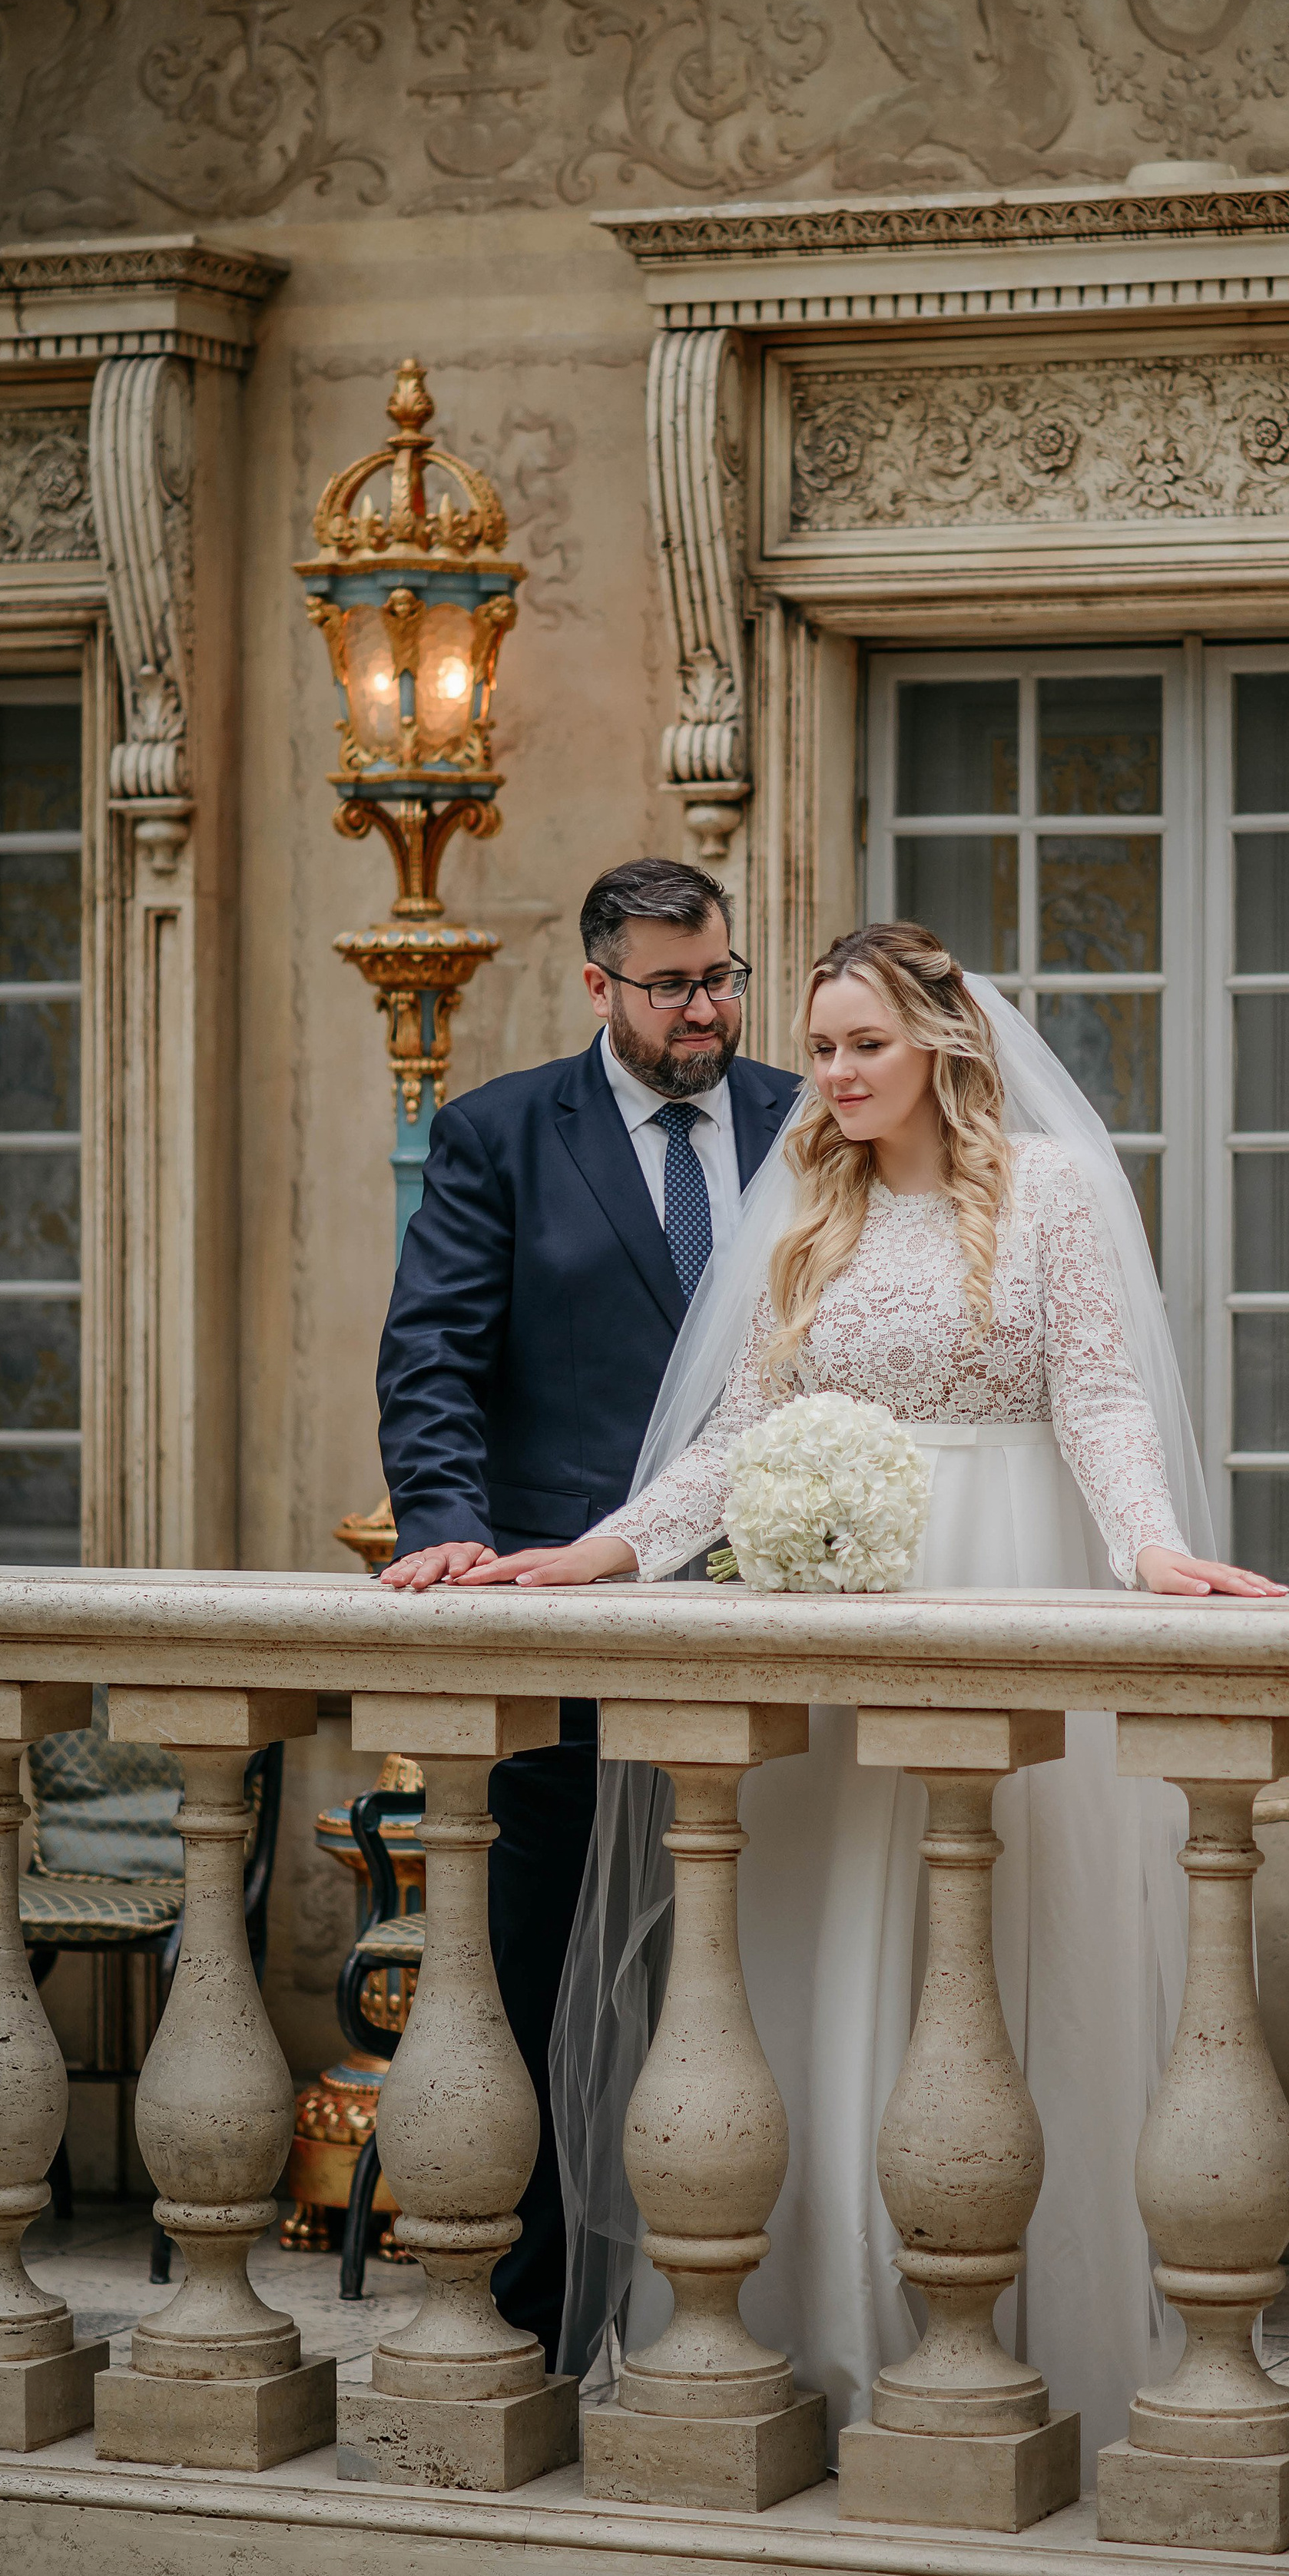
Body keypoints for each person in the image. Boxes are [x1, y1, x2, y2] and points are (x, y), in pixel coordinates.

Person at [448, 921, 1284, 2463]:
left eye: (860, 1048)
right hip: (832, 1627)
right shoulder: (803, 1210)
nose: (827, 1074)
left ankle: (1015, 2345)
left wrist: (1152, 1550)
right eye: (821, 1046)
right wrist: (601, 1553)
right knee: (818, 1954)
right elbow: (730, 1441)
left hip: (1006, 1581)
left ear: (941, 1049)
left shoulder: (1048, 1194)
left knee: (1005, 1951)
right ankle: (808, 2334)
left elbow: (1096, 1392)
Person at [373, 856, 799, 2359]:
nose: (709, 1009)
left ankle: (742, 2307)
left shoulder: (808, 1122)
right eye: (675, 983)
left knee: (765, 1966)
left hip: (778, 1623)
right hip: (559, 1624)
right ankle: (549, 2318)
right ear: (597, 983)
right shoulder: (498, 1134)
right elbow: (430, 1356)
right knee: (553, 1976)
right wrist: (445, 1533)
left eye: (724, 975)